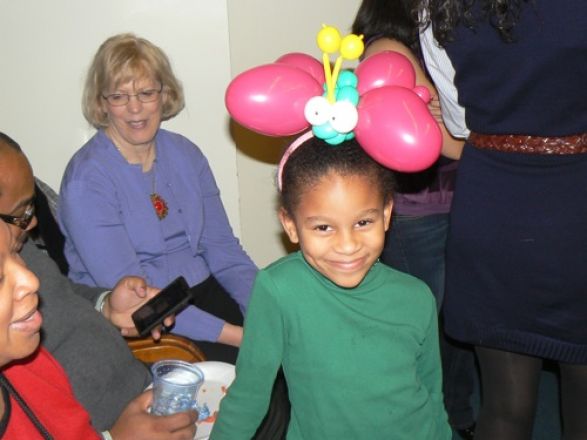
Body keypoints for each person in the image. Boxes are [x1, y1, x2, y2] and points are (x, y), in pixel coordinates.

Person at [416, 1, 587, 439]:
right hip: (576, 210)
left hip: (492, 211)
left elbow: (459, 123)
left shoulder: (436, 7)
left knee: (504, 405)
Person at [210, 136, 451, 439]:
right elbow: (248, 395)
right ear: (290, 225)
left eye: (363, 222)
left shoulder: (417, 296)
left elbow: (432, 394)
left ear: (386, 213)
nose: (348, 246)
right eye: (324, 227)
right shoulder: (279, 290)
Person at [57, 33, 257, 363]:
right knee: (248, 380)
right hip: (146, 321)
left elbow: (224, 250)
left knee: (291, 362)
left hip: (200, 291)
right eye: (119, 96)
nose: (135, 108)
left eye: (146, 93)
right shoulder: (86, 181)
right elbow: (138, 303)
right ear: (102, 103)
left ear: (164, 95)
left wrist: (265, 313)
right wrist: (241, 337)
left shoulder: (187, 155)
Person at [0, 132, 197, 438]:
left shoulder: (16, 250)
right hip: (107, 424)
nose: (33, 222)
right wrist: (114, 437)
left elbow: (59, 293)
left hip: (138, 391)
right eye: (23, 211)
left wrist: (106, 305)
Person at [351, 1, 476, 438]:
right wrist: (490, 140)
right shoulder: (390, 50)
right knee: (425, 326)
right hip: (420, 213)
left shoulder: (432, 51)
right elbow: (447, 142)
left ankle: (452, 411)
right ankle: (430, 416)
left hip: (450, 204)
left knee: (453, 322)